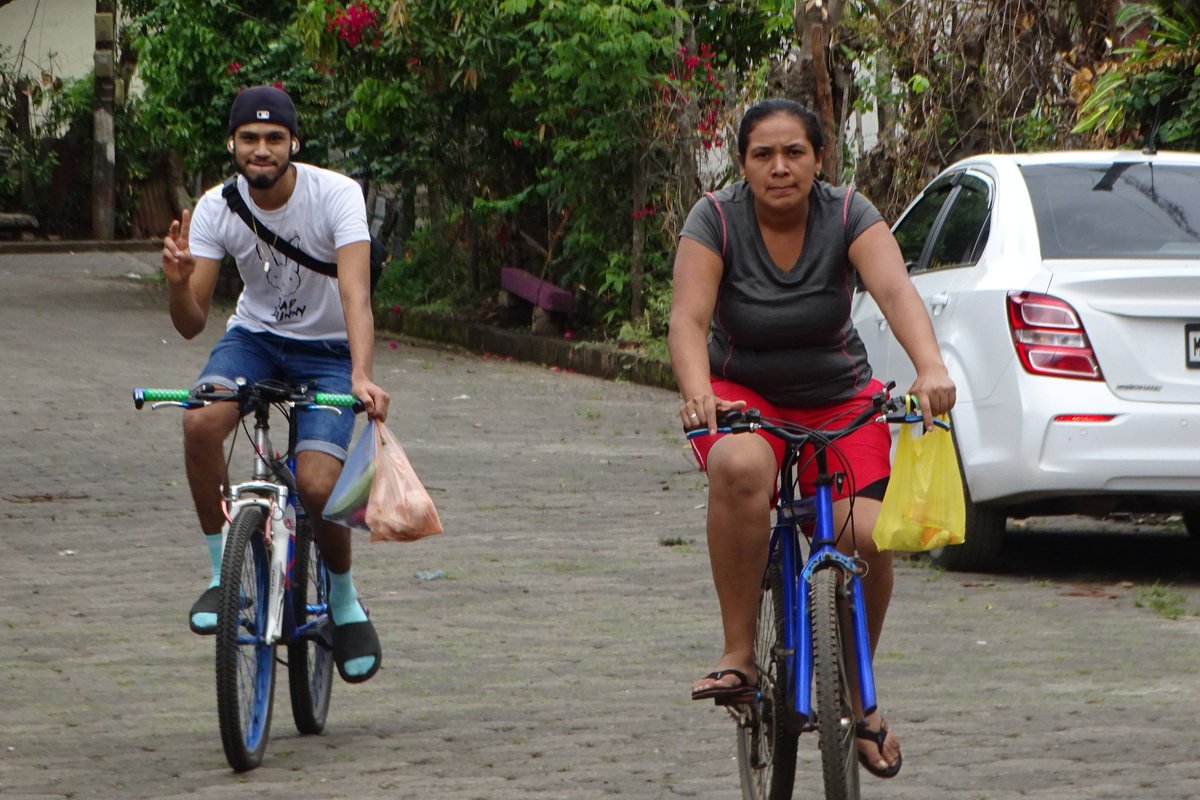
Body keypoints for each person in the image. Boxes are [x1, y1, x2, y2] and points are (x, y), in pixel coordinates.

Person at [668, 99, 956, 778]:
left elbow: (895, 291)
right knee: (740, 468)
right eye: (763, 155)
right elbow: (688, 317)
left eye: (794, 152)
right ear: (742, 165)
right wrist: (696, 389)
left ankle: (860, 698)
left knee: (869, 534)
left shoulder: (850, 212)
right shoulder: (714, 218)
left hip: (837, 395)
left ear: (819, 159)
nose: (779, 167)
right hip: (744, 392)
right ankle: (740, 653)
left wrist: (930, 366)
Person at [160, 85, 390, 684]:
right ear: (232, 144)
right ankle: (220, 576)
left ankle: (342, 600)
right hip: (255, 343)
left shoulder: (336, 196)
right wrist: (177, 283)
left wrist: (361, 374)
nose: (260, 150)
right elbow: (191, 323)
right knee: (199, 419)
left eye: (273, 139)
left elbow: (355, 295)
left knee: (317, 483)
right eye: (249, 139)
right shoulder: (216, 207)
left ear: (293, 144)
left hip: (330, 351)